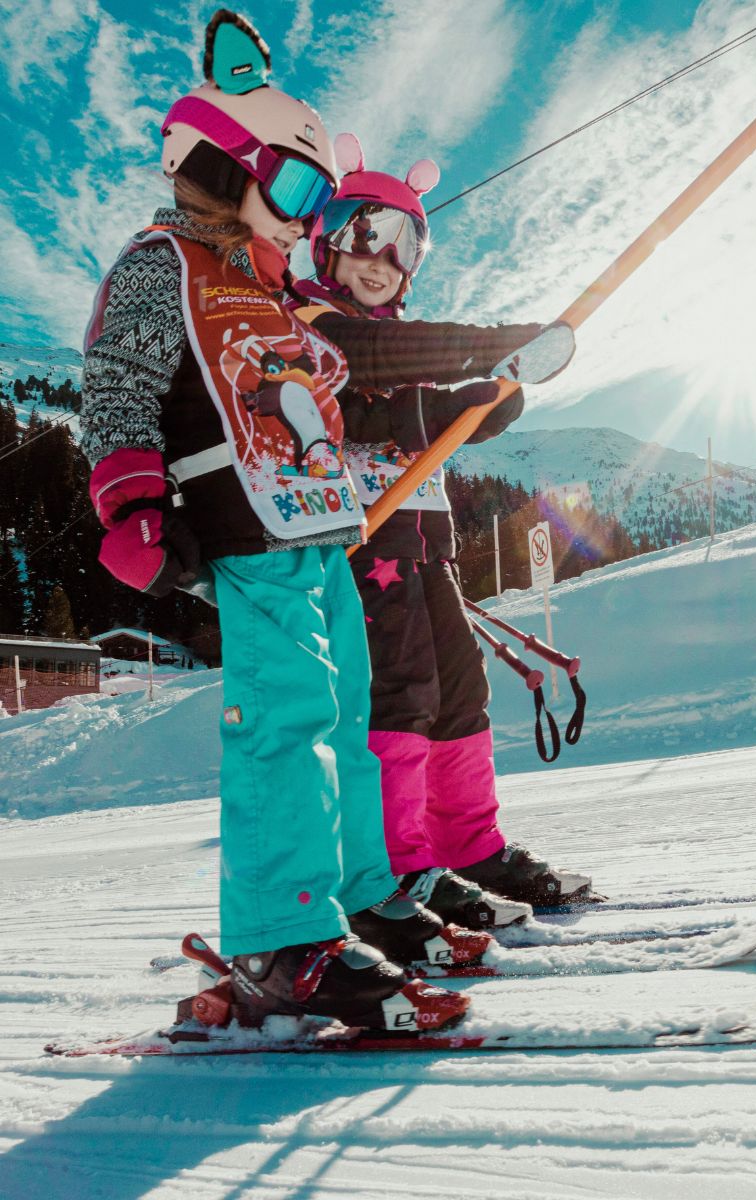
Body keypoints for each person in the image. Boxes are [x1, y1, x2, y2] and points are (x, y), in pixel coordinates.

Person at [79, 10, 498, 1034]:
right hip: (240, 525)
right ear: (225, 167)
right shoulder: (162, 263)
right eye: (300, 192)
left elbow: (355, 391)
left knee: (349, 709)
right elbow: (119, 380)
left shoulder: (265, 293)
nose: (309, 222)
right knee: (284, 722)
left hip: (318, 525)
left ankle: (359, 893)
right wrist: (131, 499)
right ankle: (280, 937)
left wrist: (462, 390)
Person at [291, 133, 592, 932]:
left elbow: (425, 412)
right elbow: (367, 376)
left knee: (460, 694)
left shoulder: (400, 349)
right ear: (324, 240)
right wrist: (492, 349)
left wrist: (489, 400)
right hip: (362, 547)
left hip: (427, 549)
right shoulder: (311, 322)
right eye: (361, 234)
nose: (379, 258)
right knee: (401, 697)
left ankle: (470, 848)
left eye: (401, 246)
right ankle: (398, 864)